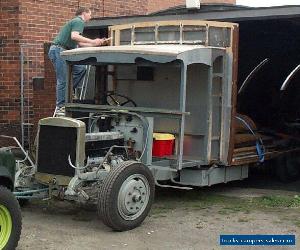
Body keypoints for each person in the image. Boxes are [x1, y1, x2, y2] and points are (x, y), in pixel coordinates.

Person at [48, 7, 108, 115]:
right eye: (90, 14)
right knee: (63, 79)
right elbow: (74, 36)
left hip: (62, 51)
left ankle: (68, 91)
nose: (91, 17)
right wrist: (93, 40)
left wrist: (95, 43)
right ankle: (61, 106)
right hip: (59, 50)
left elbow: (80, 44)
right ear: (84, 13)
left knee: (81, 69)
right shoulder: (78, 21)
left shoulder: (76, 23)